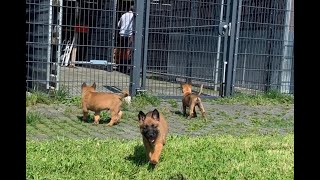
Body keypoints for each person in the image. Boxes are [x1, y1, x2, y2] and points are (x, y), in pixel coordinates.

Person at [116, 6, 134, 73]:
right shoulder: (134, 16)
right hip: (129, 35)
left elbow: (119, 25)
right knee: (128, 51)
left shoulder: (123, 15)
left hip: (121, 34)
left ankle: (120, 65)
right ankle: (125, 66)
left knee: (121, 50)